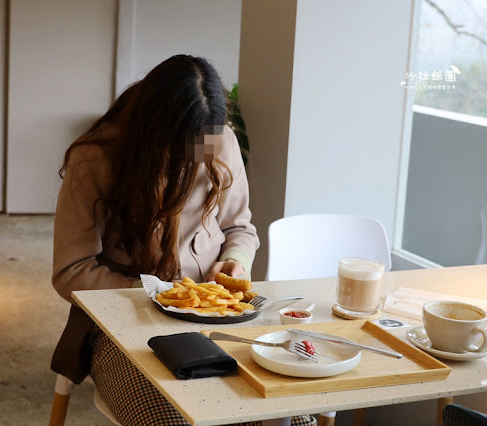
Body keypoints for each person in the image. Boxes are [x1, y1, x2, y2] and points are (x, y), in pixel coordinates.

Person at [52, 54, 315, 426]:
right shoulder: (94, 160)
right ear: (151, 131)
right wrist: (156, 297)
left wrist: (235, 261)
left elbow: (240, 228)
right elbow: (71, 271)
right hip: (122, 323)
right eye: (180, 148)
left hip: (216, 319)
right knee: (173, 420)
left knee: (288, 416)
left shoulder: (219, 141)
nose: (194, 159)